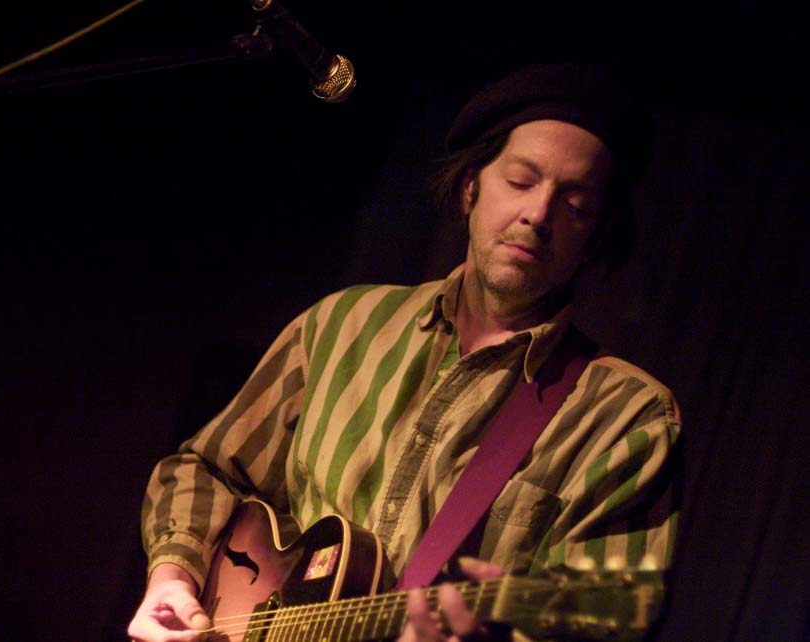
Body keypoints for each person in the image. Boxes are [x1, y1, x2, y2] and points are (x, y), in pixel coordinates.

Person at [127, 62, 681, 642]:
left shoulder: (627, 418)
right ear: (471, 187)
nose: (537, 215)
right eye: (520, 181)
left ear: (597, 234)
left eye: (576, 205)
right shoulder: (341, 324)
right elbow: (206, 468)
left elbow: (607, 620)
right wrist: (174, 574)